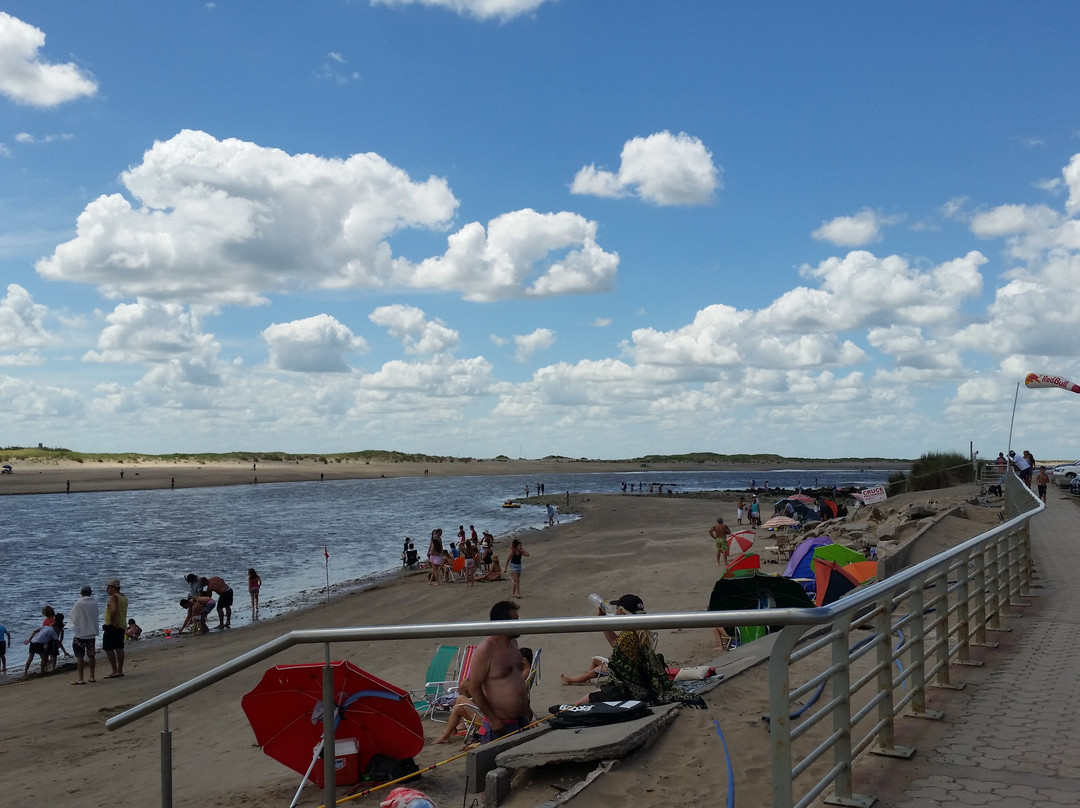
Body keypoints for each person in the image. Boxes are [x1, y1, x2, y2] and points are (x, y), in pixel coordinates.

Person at [590, 594, 706, 708]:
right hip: (645, 685)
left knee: (588, 699)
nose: (615, 613)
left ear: (621, 611)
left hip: (633, 691)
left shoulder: (628, 635)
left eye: (616, 609)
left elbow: (616, 653)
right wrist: (603, 620)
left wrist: (603, 620)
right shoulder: (640, 632)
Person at [466, 601, 532, 744]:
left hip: (522, 721)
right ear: (502, 622)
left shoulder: (513, 643)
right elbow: (474, 687)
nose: (519, 624)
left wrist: (527, 706)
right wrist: (493, 718)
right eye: (515, 621)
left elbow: (516, 679)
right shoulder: (485, 649)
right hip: (500, 725)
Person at [69, 585, 99, 684]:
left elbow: (72, 616)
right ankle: (92, 676)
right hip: (91, 633)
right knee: (91, 655)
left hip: (81, 634)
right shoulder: (94, 602)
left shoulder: (79, 603)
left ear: (81, 593)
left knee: (80, 656)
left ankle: (80, 678)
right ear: (90, 593)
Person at [103, 578, 127, 678]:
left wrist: (112, 622)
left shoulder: (114, 597)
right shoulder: (124, 597)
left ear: (113, 588)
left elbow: (113, 611)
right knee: (119, 647)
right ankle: (120, 670)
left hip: (113, 626)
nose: (107, 589)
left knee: (108, 648)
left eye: (108, 587)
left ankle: (115, 670)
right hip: (121, 625)